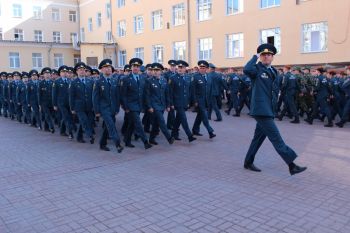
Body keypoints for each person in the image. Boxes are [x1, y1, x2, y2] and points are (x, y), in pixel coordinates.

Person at [243, 43, 307, 176]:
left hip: (269, 110)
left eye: (269, 55)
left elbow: (274, 91)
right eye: (264, 55)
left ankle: (248, 162)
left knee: (258, 138)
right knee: (276, 138)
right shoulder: (256, 69)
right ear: (260, 57)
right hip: (261, 110)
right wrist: (254, 57)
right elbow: (246, 70)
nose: (266, 57)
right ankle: (291, 165)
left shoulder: (274, 71)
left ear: (273, 57)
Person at [92, 59, 124, 153]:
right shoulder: (98, 82)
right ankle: (118, 144)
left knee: (108, 127)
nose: (108, 69)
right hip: (104, 109)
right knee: (111, 125)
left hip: (113, 108)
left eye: (109, 67)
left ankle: (102, 144)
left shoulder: (114, 81)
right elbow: (95, 98)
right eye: (105, 68)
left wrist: (117, 108)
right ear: (101, 70)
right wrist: (97, 111)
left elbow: (117, 96)